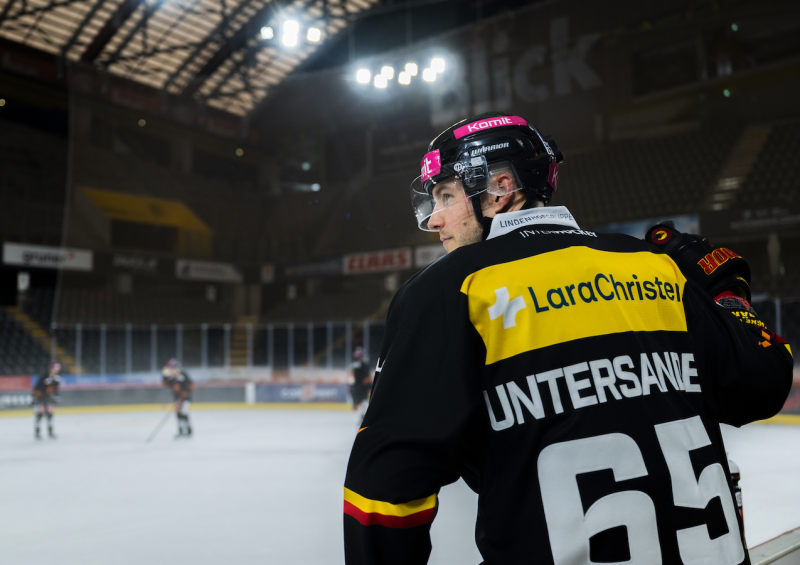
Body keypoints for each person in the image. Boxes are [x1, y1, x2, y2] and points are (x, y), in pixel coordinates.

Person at [343, 112, 793, 564]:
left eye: (445, 196)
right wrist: (726, 294)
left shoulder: (450, 290)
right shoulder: (653, 265)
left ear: (500, 188)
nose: (435, 220)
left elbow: (383, 492)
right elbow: (761, 385)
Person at [162, 358, 194, 438]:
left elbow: (192, 385)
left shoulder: (183, 375)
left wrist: (185, 392)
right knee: (178, 414)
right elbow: (165, 385)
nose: (170, 371)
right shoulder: (171, 377)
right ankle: (181, 431)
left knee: (184, 413)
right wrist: (164, 376)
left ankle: (188, 430)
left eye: (171, 369)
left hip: (185, 399)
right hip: (177, 399)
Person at [32, 361, 61, 439]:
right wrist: (35, 398)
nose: (57, 370)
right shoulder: (44, 377)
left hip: (48, 397)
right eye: (55, 369)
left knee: (50, 412)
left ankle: (50, 432)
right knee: (40, 413)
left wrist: (56, 396)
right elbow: (37, 388)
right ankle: (37, 432)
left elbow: (55, 389)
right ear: (51, 368)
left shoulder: (56, 377)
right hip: (40, 397)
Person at [349, 346, 372, 422]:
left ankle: (363, 416)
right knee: (361, 403)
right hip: (358, 387)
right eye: (361, 356)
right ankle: (362, 416)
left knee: (364, 402)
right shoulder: (357, 366)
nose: (362, 358)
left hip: (361, 388)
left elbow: (367, 377)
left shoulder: (363, 366)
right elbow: (351, 377)